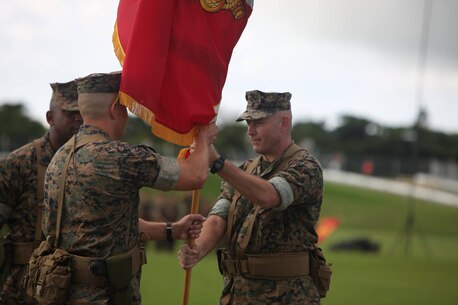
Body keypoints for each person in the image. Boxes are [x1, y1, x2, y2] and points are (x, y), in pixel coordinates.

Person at [41, 71, 217, 304]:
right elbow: (195, 175)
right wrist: (203, 137)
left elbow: (107, 225)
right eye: (125, 106)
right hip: (105, 295)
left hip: (63, 291)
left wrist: (171, 230)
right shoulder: (118, 157)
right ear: (114, 108)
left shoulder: (60, 157)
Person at [179, 90, 324, 304]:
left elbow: (269, 195)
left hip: (286, 296)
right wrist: (198, 249)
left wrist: (217, 163)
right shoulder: (244, 170)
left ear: (284, 122)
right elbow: (219, 217)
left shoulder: (305, 167)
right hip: (238, 294)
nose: (250, 131)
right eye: (248, 123)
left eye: (258, 123)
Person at [0, 80, 83, 305]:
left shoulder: (89, 165)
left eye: (81, 112)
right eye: (69, 112)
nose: (78, 118)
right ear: (50, 118)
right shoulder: (18, 163)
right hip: (24, 288)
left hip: (76, 288)